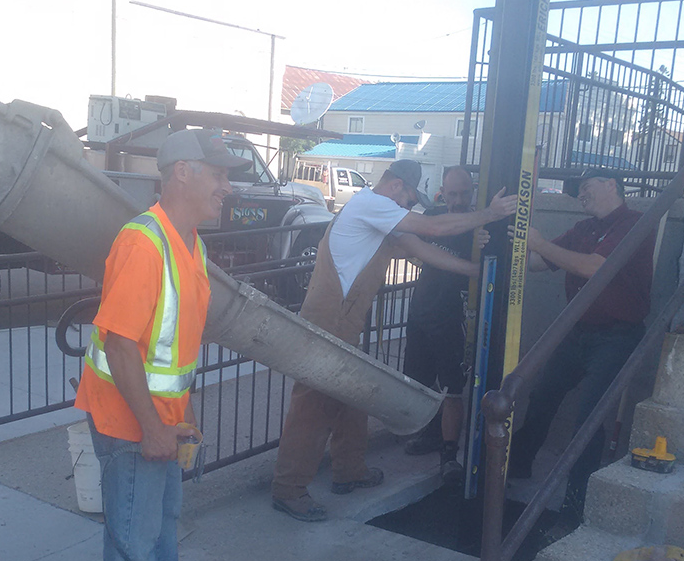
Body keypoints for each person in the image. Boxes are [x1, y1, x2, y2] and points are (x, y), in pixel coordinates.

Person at [75, 128, 246, 561]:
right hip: (130, 423)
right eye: (218, 173)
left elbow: (169, 350)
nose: (227, 185)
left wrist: (181, 416)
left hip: (158, 420)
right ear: (182, 172)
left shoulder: (187, 241)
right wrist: (151, 427)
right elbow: (121, 343)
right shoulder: (145, 242)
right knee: (133, 532)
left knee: (161, 522)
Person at [272, 159, 517, 521]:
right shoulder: (373, 204)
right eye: (407, 199)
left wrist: (475, 271)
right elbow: (433, 225)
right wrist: (488, 214)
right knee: (314, 402)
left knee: (353, 391)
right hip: (331, 317)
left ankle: (350, 469)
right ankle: (289, 489)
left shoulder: (376, 215)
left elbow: (421, 247)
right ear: (397, 186)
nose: (406, 207)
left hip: (342, 319)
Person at [509, 168, 654, 521]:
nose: (581, 195)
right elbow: (539, 263)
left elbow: (594, 268)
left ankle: (577, 500)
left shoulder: (634, 223)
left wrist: (539, 243)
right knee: (543, 395)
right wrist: (504, 245)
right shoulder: (583, 229)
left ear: (611, 185)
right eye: (577, 191)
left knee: (589, 417)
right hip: (578, 332)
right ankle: (517, 467)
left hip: (617, 336)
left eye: (586, 187)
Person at [402, 166, 488, 485]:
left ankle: (449, 455)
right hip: (422, 310)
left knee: (452, 388)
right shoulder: (433, 216)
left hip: (454, 316)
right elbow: (409, 249)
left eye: (464, 193)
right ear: (442, 191)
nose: (458, 200)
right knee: (420, 382)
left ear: (472, 191)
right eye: (452, 193)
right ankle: (431, 435)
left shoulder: (479, 224)